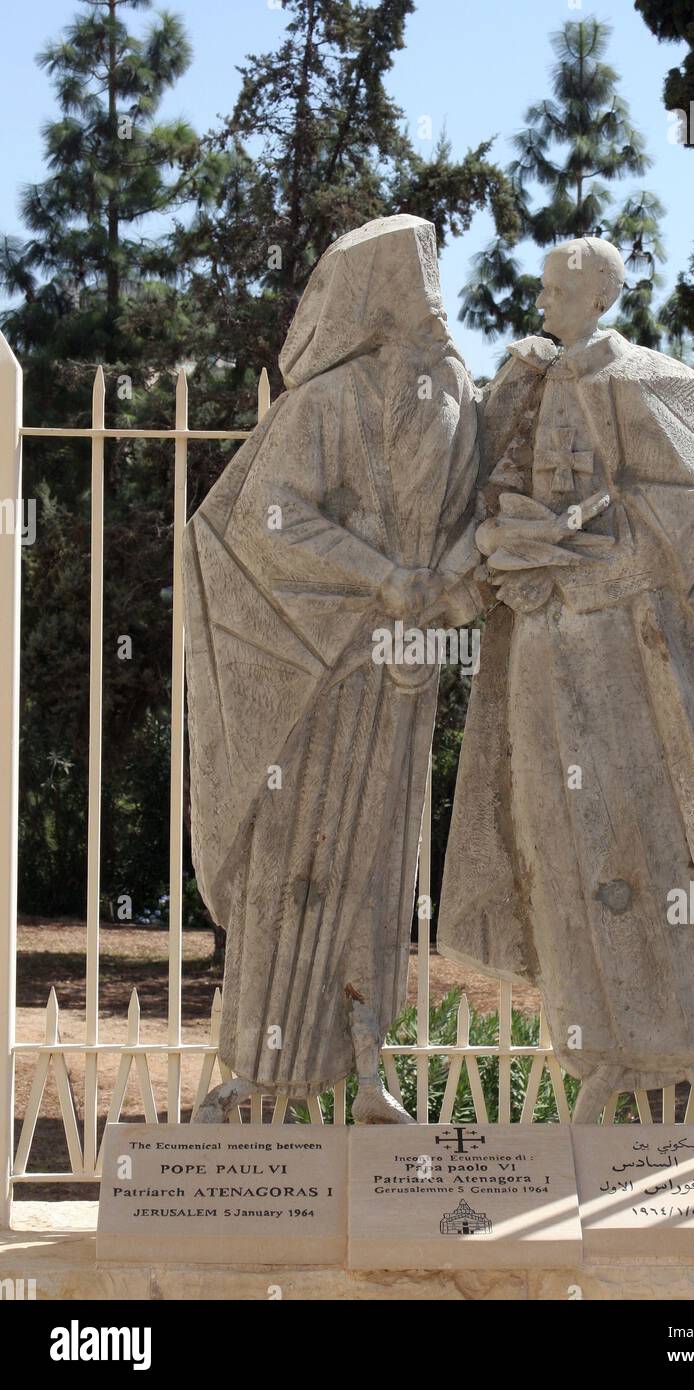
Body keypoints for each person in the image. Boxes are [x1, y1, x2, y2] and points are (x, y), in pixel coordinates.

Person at [438, 237, 694, 1122]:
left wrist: (597, 557)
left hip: (625, 659)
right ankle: (595, 1039)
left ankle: (675, 1038)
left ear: (601, 294)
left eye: (563, 286)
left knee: (643, 833)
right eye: (546, 284)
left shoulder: (654, 382)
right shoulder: (525, 386)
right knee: (556, 835)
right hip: (540, 655)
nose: (546, 298)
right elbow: (475, 499)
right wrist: (508, 546)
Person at [184, 215, 481, 1122]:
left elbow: (471, 515)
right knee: (295, 864)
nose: (432, 297)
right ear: (378, 293)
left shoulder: (458, 394)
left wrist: (440, 599)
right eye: (413, 277)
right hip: (315, 676)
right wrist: (383, 576)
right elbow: (270, 520)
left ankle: (367, 1071)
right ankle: (261, 1077)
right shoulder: (327, 401)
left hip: (401, 671)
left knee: (381, 871)